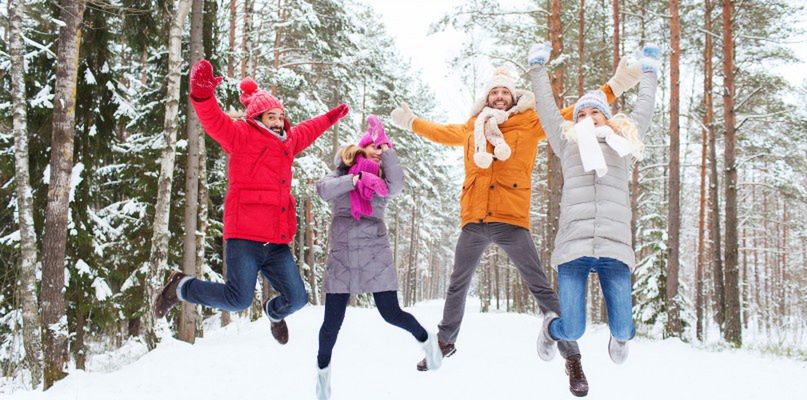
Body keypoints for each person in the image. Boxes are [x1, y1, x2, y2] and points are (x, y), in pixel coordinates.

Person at [390, 64, 639, 397]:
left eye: (504, 92)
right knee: (457, 285)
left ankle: (573, 358)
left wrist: (615, 85)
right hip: (475, 219)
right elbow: (439, 132)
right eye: (494, 92)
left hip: (512, 219)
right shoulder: (471, 127)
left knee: (541, 288)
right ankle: (445, 342)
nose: (499, 96)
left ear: (513, 97)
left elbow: (574, 110)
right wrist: (411, 122)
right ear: (487, 97)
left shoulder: (530, 122)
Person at [153, 59, 349, 346]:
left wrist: (332, 117)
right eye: (271, 116)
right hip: (245, 236)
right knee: (238, 300)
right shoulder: (240, 135)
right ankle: (180, 287)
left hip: (276, 240)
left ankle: (273, 312)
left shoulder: (288, 141)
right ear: (257, 117)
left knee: (297, 299)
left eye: (280, 116)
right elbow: (213, 120)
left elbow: (309, 128)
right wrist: (203, 95)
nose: (278, 121)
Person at [528, 42, 659, 364]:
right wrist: (537, 68)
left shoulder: (622, 143)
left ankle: (621, 337)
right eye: (581, 114)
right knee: (571, 329)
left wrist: (650, 71)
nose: (588, 117)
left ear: (607, 117)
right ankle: (550, 330)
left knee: (625, 327)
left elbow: (645, 107)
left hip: (615, 247)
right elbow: (546, 108)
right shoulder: (567, 144)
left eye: (594, 112)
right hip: (574, 247)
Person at [314, 116, 442, 399]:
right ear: (359, 149)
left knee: (391, 313)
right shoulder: (340, 175)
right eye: (373, 146)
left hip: (375, 255)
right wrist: (355, 178)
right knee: (331, 324)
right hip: (343, 256)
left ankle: (427, 341)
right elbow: (322, 189)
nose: (377, 151)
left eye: (381, 148)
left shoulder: (382, 185)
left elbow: (397, 184)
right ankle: (323, 377)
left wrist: (389, 152)